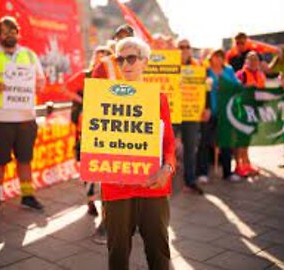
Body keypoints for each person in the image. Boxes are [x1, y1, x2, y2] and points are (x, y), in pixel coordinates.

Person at [102, 36, 176, 270]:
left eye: (131, 58)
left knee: (159, 253)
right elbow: (97, 141)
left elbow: (169, 144)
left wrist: (168, 168)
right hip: (116, 186)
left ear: (144, 61)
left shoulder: (158, 98)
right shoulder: (104, 97)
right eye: (120, 59)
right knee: (117, 255)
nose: (125, 65)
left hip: (152, 185)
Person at [0, 16, 46, 215]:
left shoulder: (29, 55)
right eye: (5, 32)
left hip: (26, 119)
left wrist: (39, 85)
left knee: (25, 160)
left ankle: (27, 196)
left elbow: (40, 79)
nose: (9, 35)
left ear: (18, 33)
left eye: (13, 31)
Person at [89, 24, 135, 245]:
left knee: (132, 177)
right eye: (120, 38)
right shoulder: (104, 65)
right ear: (114, 41)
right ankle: (106, 222)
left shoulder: (146, 64)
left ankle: (128, 221)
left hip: (136, 131)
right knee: (109, 177)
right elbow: (93, 95)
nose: (123, 41)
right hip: (110, 130)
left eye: (128, 38)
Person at [64, 45, 112, 216]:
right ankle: (91, 199)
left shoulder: (112, 77)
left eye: (106, 56)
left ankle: (107, 200)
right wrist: (83, 100)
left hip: (107, 128)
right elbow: (66, 88)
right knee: (87, 162)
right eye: (99, 55)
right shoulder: (85, 75)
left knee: (106, 164)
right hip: (85, 128)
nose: (102, 59)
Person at [204, 49, 242, 182]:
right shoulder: (206, 71)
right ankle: (203, 173)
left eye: (221, 56)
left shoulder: (229, 70)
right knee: (206, 141)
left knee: (226, 143)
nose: (219, 59)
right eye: (216, 56)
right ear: (211, 58)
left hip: (226, 112)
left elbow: (237, 86)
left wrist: (225, 85)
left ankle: (228, 173)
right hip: (211, 111)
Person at [175, 38, 206, 194]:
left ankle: (190, 181)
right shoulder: (170, 65)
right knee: (167, 147)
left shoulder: (198, 66)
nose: (184, 49)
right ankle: (162, 182)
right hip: (173, 113)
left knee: (191, 148)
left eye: (187, 46)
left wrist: (205, 108)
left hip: (191, 112)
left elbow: (203, 89)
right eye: (181, 46)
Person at [235, 51, 266, 177]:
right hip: (242, 113)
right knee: (240, 140)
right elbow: (234, 91)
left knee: (247, 140)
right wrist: (246, 87)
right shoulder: (241, 74)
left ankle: (246, 163)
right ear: (246, 61)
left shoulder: (260, 75)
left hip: (254, 113)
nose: (253, 62)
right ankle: (239, 165)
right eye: (251, 59)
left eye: (256, 59)